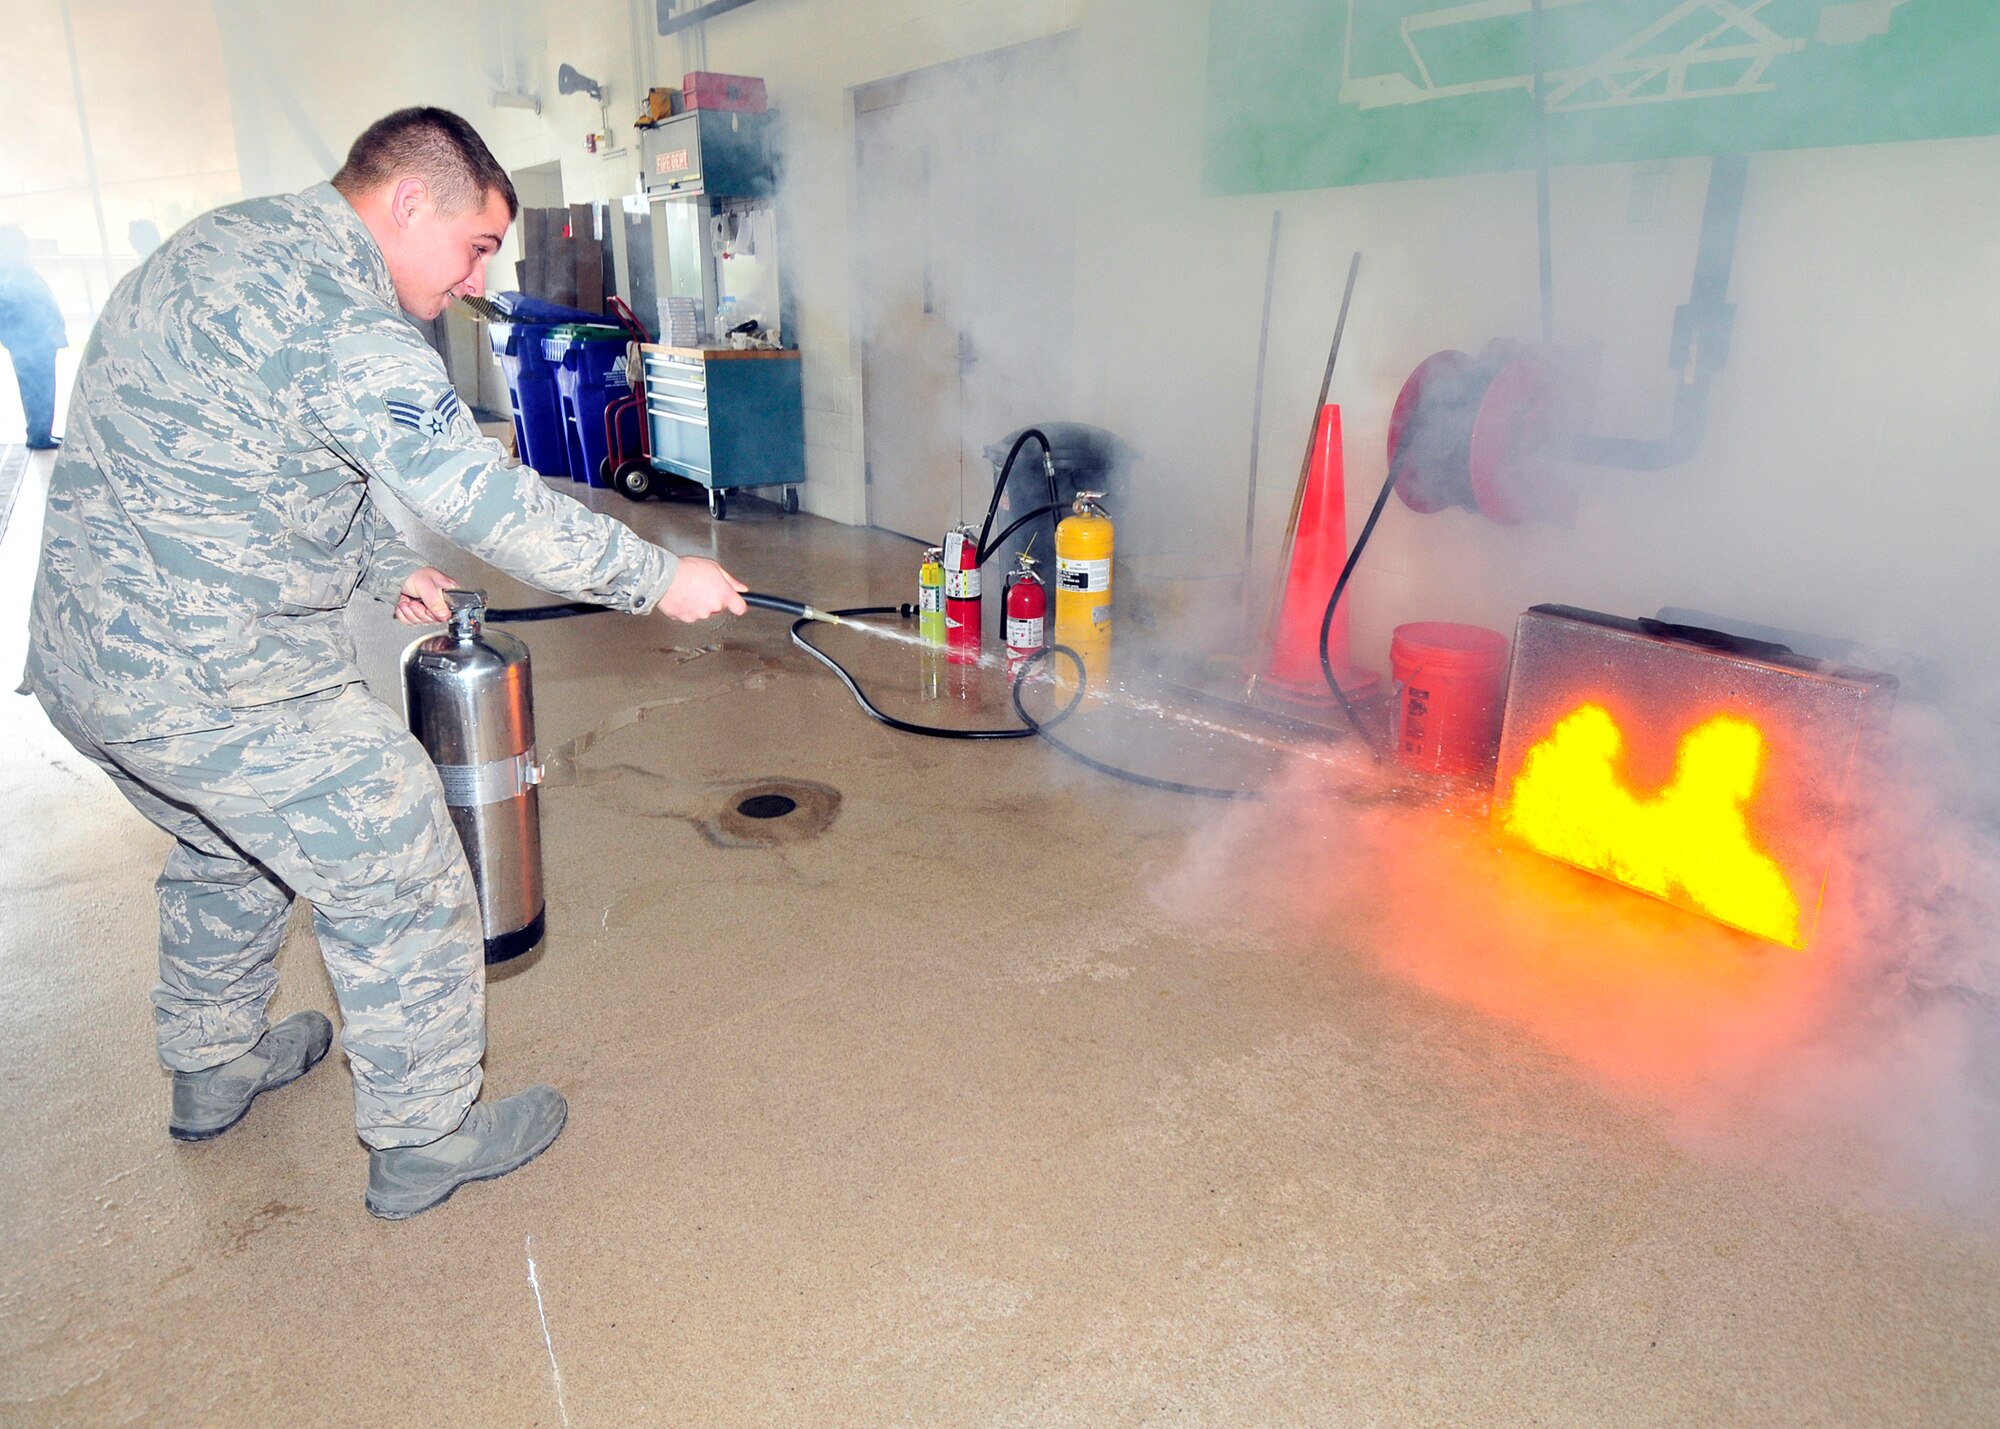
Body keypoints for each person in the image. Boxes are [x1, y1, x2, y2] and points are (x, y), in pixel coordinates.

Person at [25, 108, 750, 1219]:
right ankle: (423, 1137)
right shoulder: (348, 320)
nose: (475, 281)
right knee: (399, 862)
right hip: (218, 677)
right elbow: (479, 496)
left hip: (90, 661)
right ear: (408, 202)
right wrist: (653, 574)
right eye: (473, 247)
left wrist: (373, 561)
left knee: (228, 842)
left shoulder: (223, 246)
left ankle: (213, 1065)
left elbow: (232, 439)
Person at [0, 227, 66, 449]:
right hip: (30, 341)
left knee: (42, 388)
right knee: (38, 389)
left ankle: (41, 432)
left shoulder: (17, 270)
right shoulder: (10, 272)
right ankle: (38, 435)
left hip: (37, 339)